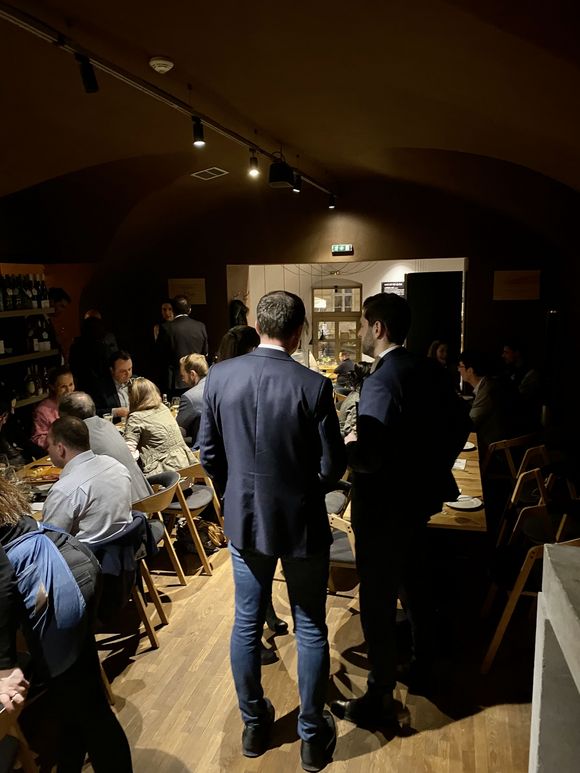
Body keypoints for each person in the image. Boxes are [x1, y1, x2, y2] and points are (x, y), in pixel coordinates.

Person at [199, 290, 345, 771]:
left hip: (245, 520)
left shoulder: (220, 376)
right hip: (302, 521)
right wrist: (302, 486)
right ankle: (311, 736)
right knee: (310, 625)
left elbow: (209, 455)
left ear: (259, 326)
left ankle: (254, 727)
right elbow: (332, 467)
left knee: (246, 622)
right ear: (299, 332)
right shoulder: (314, 385)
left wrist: (238, 491)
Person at [331, 293, 468, 730]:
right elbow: (461, 424)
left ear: (379, 328)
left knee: (376, 600)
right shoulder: (430, 370)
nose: (360, 331)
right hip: (418, 503)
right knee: (416, 589)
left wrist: (348, 446)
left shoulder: (383, 379)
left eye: (362, 324)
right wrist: (431, 469)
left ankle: (379, 695)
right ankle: (424, 668)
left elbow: (370, 456)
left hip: (382, 508)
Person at [0, 478, 133, 771]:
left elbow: (1, 577)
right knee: (73, 699)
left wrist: (4, 667)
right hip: (64, 554)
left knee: (88, 707)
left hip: (50, 576)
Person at [42, 416, 132, 545]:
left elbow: (51, 543)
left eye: (49, 445)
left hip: (88, 554)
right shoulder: (116, 465)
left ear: (60, 449)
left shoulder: (63, 491)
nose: (48, 450)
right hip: (126, 546)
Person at [58, 391, 152, 503]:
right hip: (145, 496)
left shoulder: (80, 435)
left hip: (128, 505)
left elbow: (72, 482)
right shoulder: (107, 424)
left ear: (68, 419)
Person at [124, 377, 195, 475]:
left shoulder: (136, 418)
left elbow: (129, 455)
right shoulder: (163, 408)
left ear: (133, 397)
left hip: (164, 476)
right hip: (186, 468)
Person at [459, 349, 524, 452]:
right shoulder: (487, 384)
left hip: (499, 450)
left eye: (460, 366)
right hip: (499, 445)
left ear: (470, 370)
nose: (458, 370)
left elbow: (470, 423)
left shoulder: (487, 389)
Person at [156, 295, 208, 394]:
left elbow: (160, 355)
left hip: (176, 381)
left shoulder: (166, 328)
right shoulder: (200, 326)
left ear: (173, 311)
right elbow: (204, 352)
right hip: (197, 379)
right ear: (189, 309)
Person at [31, 366, 75, 450]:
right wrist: (60, 441)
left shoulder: (77, 401)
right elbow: (38, 438)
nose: (69, 390)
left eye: (71, 384)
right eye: (63, 386)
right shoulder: (43, 410)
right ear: (53, 387)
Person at [176, 354, 209, 445]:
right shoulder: (220, 386)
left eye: (183, 376)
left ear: (192, 374)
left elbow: (178, 431)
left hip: (202, 448)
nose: (183, 380)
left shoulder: (190, 396)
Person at [93, 350, 133, 419]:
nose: (128, 374)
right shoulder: (101, 388)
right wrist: (115, 412)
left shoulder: (137, 381)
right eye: (122, 371)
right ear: (112, 370)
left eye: (129, 369)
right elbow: (94, 412)